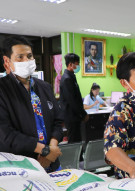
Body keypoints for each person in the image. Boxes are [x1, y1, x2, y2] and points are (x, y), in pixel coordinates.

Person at [0, 35, 63, 172]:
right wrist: (44, 150)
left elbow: (58, 121)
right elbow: (5, 134)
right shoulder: (3, 90)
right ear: (7, 61)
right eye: (20, 57)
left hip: (52, 162)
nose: (26, 60)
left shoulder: (45, 87)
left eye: (29, 56)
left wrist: (51, 148)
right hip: (20, 167)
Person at [59, 53, 88, 143]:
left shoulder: (71, 77)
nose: (78, 66)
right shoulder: (67, 79)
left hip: (74, 116)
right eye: (77, 63)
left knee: (77, 140)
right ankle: (75, 157)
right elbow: (72, 101)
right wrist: (83, 114)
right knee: (74, 141)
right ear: (71, 64)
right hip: (71, 117)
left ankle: (79, 157)